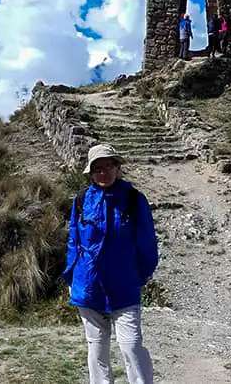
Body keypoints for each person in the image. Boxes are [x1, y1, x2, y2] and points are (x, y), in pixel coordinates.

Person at [63, 144, 158, 384]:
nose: (103, 173)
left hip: (124, 287)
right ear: (90, 172)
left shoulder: (135, 201)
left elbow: (147, 243)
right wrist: (71, 277)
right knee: (96, 351)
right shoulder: (81, 200)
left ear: (118, 167)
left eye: (108, 166)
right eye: (97, 169)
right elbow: (74, 240)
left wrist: (142, 276)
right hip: (89, 287)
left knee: (131, 347)